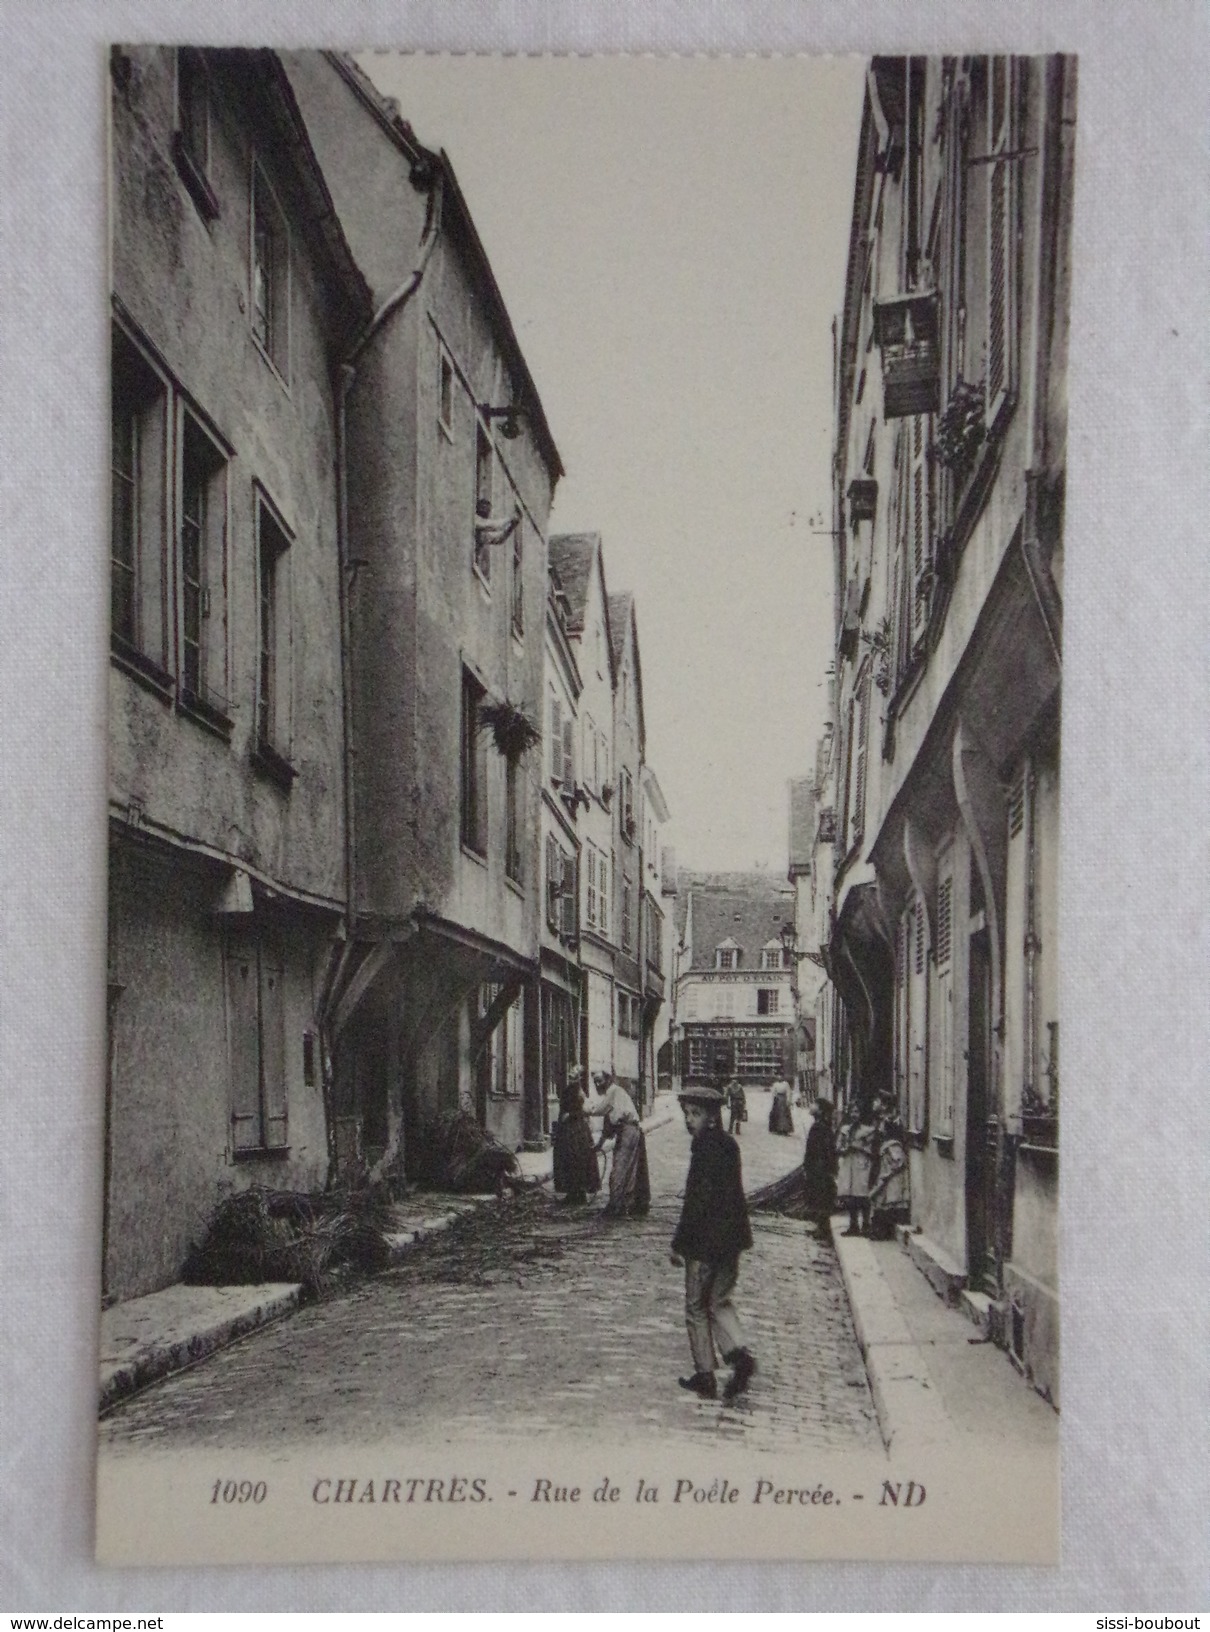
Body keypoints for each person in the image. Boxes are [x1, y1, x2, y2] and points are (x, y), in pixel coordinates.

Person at [670, 1085, 757, 1401]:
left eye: (695, 1114)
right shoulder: (729, 1145)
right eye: (686, 1114)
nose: (689, 1120)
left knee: (695, 1306)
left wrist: (679, 1243)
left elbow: (698, 1201)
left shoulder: (702, 1149)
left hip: (704, 1243)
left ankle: (705, 1374)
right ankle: (739, 1355)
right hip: (731, 1241)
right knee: (719, 1301)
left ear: (711, 1117)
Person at [584, 1071, 650, 1217]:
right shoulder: (612, 1096)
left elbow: (598, 1110)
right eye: (595, 1082)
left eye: (599, 1081)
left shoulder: (613, 1092)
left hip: (629, 1130)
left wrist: (582, 1106)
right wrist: (599, 1146)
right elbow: (608, 1127)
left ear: (608, 1080)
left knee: (620, 1169)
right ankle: (622, 1205)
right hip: (627, 1131)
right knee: (625, 1169)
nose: (597, 1085)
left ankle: (616, 1207)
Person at [552, 1066, 600, 1206]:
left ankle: (577, 1194)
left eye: (575, 1074)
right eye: (571, 1073)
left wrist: (570, 1115)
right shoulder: (572, 1090)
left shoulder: (578, 1091)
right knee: (571, 1159)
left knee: (575, 1159)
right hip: (571, 1129)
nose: (572, 1076)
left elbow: (583, 1110)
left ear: (579, 1077)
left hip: (574, 1130)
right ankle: (574, 1193)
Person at [836, 1105, 876, 1235]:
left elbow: (872, 1150)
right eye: (852, 1112)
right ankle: (853, 1226)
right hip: (848, 1163)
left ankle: (866, 1224)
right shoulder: (845, 1130)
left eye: (857, 1112)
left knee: (863, 1194)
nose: (854, 1115)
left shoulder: (868, 1131)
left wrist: (858, 1147)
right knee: (850, 1195)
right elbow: (838, 1148)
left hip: (862, 1163)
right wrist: (844, 1149)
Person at [802, 1097, 838, 1238]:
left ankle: (823, 1229)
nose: (811, 1106)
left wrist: (816, 1166)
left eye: (814, 1104)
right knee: (818, 1196)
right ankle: (820, 1227)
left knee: (820, 1197)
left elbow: (822, 1150)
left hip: (819, 1167)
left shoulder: (820, 1127)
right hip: (817, 1165)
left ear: (820, 1110)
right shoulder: (821, 1125)